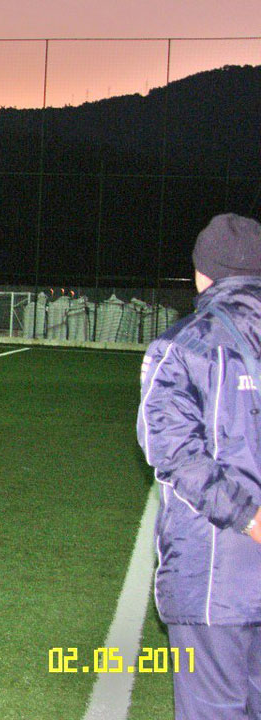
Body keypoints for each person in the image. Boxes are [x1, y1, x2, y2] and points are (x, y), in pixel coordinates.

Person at [137, 213, 261, 720]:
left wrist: (250, 519)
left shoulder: (182, 345)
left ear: (202, 273)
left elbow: (175, 454)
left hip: (216, 580)